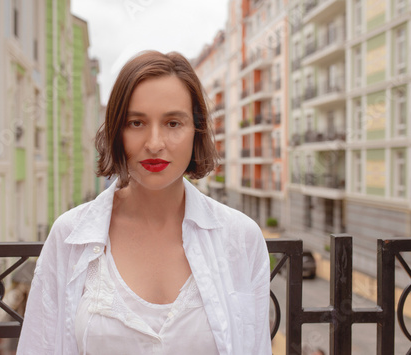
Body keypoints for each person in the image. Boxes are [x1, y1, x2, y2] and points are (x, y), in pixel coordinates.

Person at [17, 50, 271, 354]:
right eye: (136, 123)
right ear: (117, 132)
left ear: (196, 131)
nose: (154, 143)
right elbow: (40, 346)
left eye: (173, 123)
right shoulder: (70, 236)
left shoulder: (241, 238)